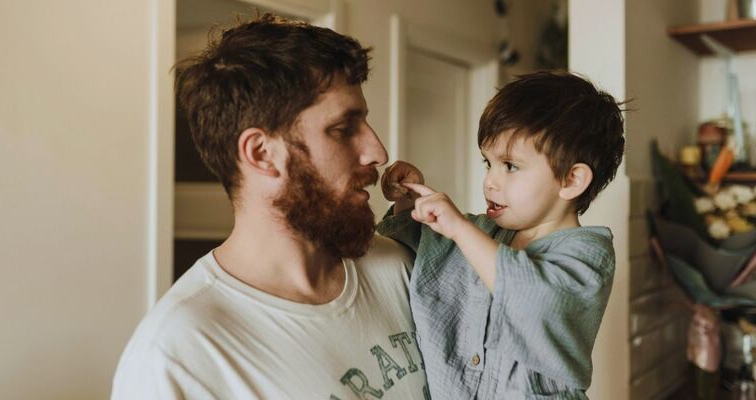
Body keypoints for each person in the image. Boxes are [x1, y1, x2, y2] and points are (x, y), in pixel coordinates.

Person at [112, 14, 428, 399]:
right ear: (262, 153)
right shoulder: (176, 357)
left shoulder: (399, 267)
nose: (377, 151)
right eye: (344, 129)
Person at [377, 71, 625, 399]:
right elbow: (420, 241)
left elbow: (538, 300)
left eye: (509, 166)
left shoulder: (588, 253)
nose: (490, 181)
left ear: (570, 180)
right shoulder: (480, 232)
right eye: (487, 163)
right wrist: (409, 198)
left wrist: (460, 229)